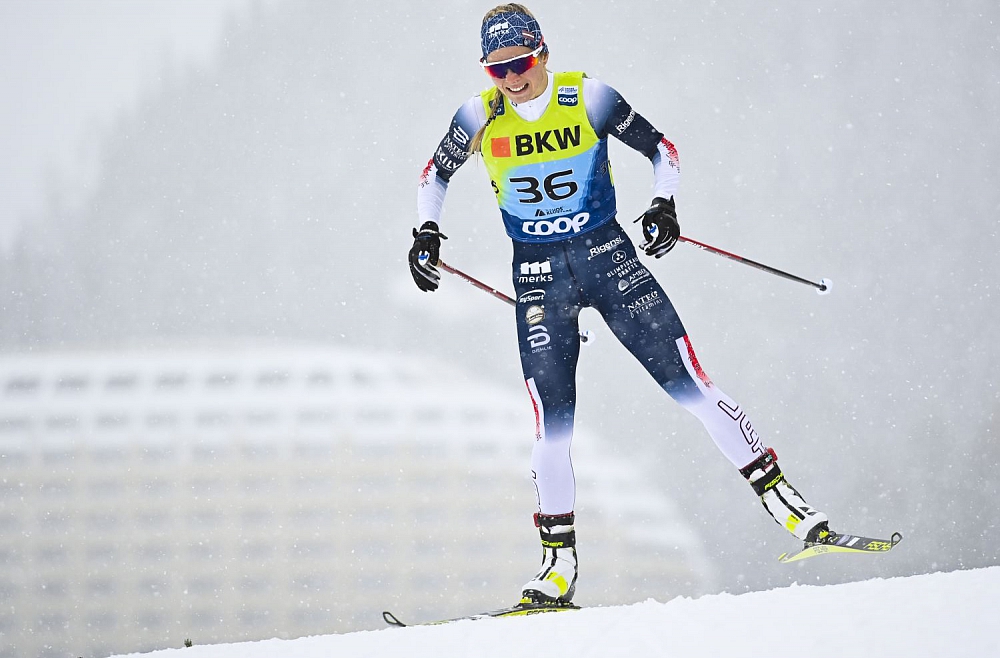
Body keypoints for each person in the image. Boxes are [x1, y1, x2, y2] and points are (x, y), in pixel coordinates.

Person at [409, 4, 832, 606]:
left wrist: (664, 205)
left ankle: (792, 508)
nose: (513, 77)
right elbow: (434, 174)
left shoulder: (590, 97)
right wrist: (426, 232)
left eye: (522, 62)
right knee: (552, 426)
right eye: (497, 69)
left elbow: (664, 149)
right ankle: (557, 569)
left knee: (690, 384)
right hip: (538, 275)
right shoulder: (478, 115)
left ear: (543, 54)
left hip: (609, 259)